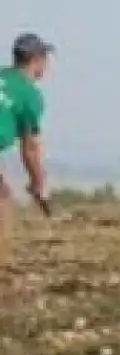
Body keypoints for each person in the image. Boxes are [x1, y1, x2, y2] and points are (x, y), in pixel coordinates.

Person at [0, 33, 53, 219]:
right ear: (36, 60)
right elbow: (30, 149)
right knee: (2, 203)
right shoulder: (29, 95)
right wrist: (39, 184)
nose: (47, 64)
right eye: (45, 58)